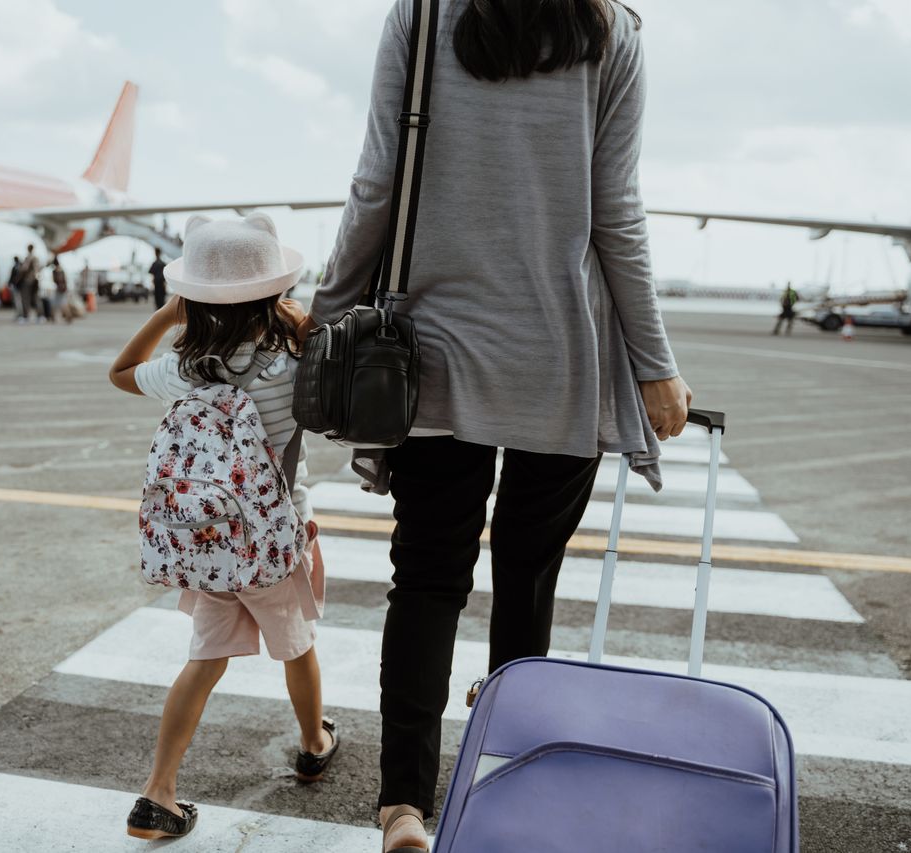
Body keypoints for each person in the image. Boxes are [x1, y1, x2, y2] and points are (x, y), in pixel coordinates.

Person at [299, 2, 693, 850]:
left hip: (434, 356)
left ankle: (404, 804)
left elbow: (377, 182)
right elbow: (615, 210)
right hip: (564, 358)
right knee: (528, 580)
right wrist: (655, 363)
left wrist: (326, 320)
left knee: (428, 579)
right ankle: (512, 782)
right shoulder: (610, 31)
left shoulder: (424, 12)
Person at [108, 214, 337, 842]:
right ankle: (315, 742)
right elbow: (338, 363)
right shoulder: (290, 366)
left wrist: (166, 317)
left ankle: (158, 794)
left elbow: (122, 373)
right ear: (273, 292)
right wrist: (299, 321)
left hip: (208, 543)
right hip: (271, 547)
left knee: (204, 662)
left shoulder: (185, 371)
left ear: (194, 299)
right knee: (296, 644)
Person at [16, 244, 42, 324]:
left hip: (27, 281)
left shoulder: (29, 258)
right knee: (35, 298)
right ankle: (40, 316)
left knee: (25, 299)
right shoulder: (36, 258)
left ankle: (26, 316)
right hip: (35, 280)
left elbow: (24, 269)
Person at [51, 256, 71, 323]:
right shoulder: (62, 270)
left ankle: (55, 318)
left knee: (56, 304)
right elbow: (65, 279)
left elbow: (54, 280)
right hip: (64, 288)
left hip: (59, 289)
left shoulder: (55, 271)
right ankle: (68, 316)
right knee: (63, 303)